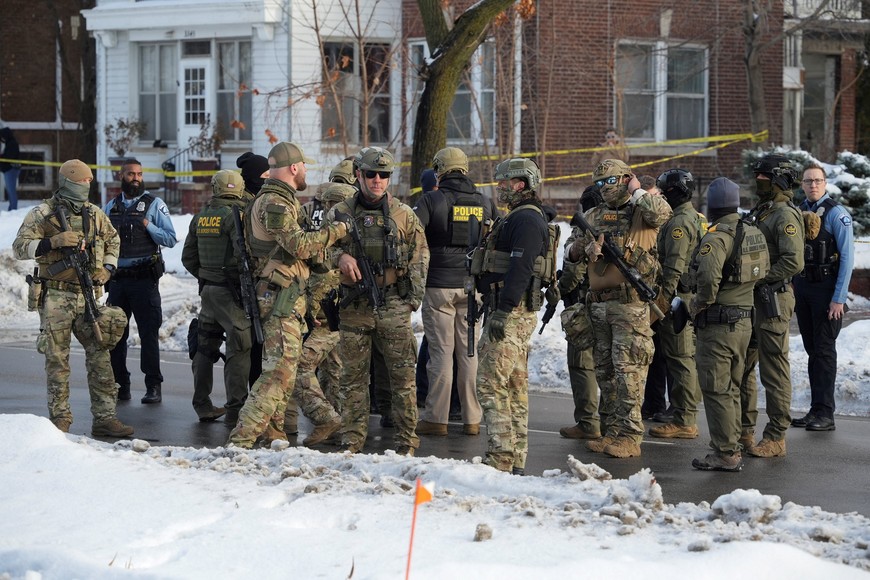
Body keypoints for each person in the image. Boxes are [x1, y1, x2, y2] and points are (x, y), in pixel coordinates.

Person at [226, 142, 350, 449]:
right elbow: (300, 246)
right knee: (279, 373)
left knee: (285, 368)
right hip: (279, 297)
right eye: (304, 165)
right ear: (294, 167)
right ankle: (241, 439)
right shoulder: (274, 202)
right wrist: (338, 230)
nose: (307, 170)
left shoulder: (281, 200)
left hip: (286, 295)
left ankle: (275, 434)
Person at [12, 160, 133, 437]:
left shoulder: (94, 213)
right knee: (57, 360)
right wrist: (51, 243)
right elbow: (19, 247)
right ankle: (60, 420)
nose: (86, 186)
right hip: (55, 296)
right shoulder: (43, 213)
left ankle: (105, 417)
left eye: (89, 181)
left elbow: (112, 240)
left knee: (100, 356)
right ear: (68, 182)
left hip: (87, 295)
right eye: (82, 182)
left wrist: (108, 268)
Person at [328, 146, 429, 456]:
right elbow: (319, 252)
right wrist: (340, 256)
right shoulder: (340, 213)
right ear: (358, 175)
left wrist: (412, 299)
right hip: (355, 307)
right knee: (353, 380)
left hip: (393, 305)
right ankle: (352, 441)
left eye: (383, 175)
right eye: (370, 174)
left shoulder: (404, 214)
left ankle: (407, 442)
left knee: (402, 379)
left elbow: (421, 256)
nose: (377, 180)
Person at [567, 159, 671, 458]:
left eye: (609, 182)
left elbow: (663, 213)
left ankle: (630, 436)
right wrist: (583, 249)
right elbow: (571, 251)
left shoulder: (642, 210)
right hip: (599, 305)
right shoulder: (593, 215)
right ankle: (612, 431)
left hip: (630, 304)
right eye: (598, 184)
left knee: (630, 373)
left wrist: (638, 191)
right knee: (606, 372)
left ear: (626, 179)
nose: (603, 189)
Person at [474, 157, 552, 474]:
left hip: (512, 313)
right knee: (514, 387)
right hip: (512, 310)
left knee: (489, 384)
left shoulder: (526, 221)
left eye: (503, 182)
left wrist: (503, 309)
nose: (499, 187)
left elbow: (520, 267)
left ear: (519, 184)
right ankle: (515, 457)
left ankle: (501, 456)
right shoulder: (519, 217)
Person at [413, 147, 496, 437]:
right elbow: (494, 236)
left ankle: (437, 418)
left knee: (441, 354)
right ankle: (472, 419)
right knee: (469, 352)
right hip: (472, 287)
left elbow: (411, 236)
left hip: (438, 286)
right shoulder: (485, 201)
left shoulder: (431, 200)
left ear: (439, 170)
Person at [690, 178, 770, 471]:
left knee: (716, 389)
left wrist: (695, 307)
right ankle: (734, 442)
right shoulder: (752, 231)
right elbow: (764, 270)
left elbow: (708, 282)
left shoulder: (716, 238)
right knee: (733, 386)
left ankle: (726, 452)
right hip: (745, 321)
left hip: (718, 325)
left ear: (712, 205)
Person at [281, 182, 356, 445]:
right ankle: (338, 428)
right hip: (336, 318)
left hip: (328, 318)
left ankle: (326, 417)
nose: (321, 210)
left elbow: (322, 279)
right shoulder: (340, 232)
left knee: (300, 365)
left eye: (325, 205)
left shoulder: (334, 238)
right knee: (333, 371)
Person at [739, 154, 805, 457]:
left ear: (778, 179)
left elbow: (793, 261)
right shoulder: (764, 211)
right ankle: (745, 430)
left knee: (774, 369)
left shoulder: (784, 215)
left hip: (772, 298)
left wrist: (760, 277)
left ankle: (777, 436)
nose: (758, 181)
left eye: (763, 177)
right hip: (754, 297)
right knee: (744, 366)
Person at [104, 158, 178, 404]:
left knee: (148, 335)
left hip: (144, 280)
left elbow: (169, 238)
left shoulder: (154, 204)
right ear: (121, 176)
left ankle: (153, 386)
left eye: (139, 174)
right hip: (117, 281)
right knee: (116, 335)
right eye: (130, 174)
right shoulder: (110, 207)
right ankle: (120, 384)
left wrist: (148, 225)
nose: (135, 178)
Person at [181, 170, 251, 423]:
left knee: (204, 346)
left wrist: (206, 275)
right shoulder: (237, 217)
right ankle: (236, 407)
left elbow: (187, 257)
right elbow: (244, 255)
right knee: (239, 345)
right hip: (230, 292)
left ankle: (202, 404)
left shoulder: (200, 217)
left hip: (208, 290)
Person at [792, 165, 855, 431]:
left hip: (827, 291)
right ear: (802, 184)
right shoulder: (798, 210)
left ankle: (826, 413)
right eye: (808, 181)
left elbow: (848, 259)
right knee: (812, 351)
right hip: (804, 288)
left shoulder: (837, 214)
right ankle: (815, 409)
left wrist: (838, 299)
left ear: (825, 183)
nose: (813, 185)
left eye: (817, 180)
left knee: (825, 351)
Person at [648, 169, 703, 440]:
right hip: (681, 297)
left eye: (663, 190)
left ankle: (684, 420)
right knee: (679, 358)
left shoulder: (680, 222)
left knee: (680, 359)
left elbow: (673, 268)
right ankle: (683, 414)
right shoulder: (685, 216)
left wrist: (661, 302)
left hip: (678, 299)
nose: (660, 194)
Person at [557, 183, 601, 441]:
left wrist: (561, 288)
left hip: (585, 306)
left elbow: (573, 275)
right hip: (614, 306)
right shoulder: (619, 227)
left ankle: (588, 422)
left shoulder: (583, 232)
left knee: (581, 364)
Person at [638, 176, 673, 422]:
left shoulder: (667, 219)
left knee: (666, 354)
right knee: (652, 352)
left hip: (665, 292)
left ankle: (670, 407)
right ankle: (653, 403)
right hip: (646, 292)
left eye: (654, 196)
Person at [236, 151, 270, 399]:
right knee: (252, 346)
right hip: (246, 283)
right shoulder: (244, 205)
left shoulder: (257, 200)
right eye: (264, 175)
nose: (268, 179)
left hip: (258, 281)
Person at [0, 124, 21, 210]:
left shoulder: (12, 144)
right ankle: (12, 207)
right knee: (10, 190)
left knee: (11, 190)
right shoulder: (10, 143)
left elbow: (9, 157)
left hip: (11, 170)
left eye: (2, 137)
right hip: (9, 170)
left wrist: (2, 157)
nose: (2, 139)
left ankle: (13, 208)